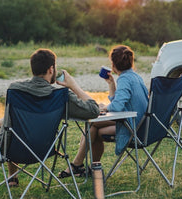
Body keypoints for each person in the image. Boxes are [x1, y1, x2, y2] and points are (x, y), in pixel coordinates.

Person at [0, 48, 100, 187]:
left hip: (12, 149)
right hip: (44, 150)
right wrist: (73, 86)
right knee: (11, 121)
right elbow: (93, 111)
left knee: (10, 124)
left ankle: (11, 175)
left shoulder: (16, 89)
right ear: (51, 69)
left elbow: (9, 123)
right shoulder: (61, 96)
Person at [59, 45, 148, 177]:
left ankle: (77, 165)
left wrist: (104, 108)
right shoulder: (134, 77)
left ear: (113, 64)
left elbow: (117, 107)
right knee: (94, 128)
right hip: (140, 123)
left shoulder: (124, 79)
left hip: (133, 127)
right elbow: (119, 102)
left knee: (93, 126)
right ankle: (89, 167)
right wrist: (111, 84)